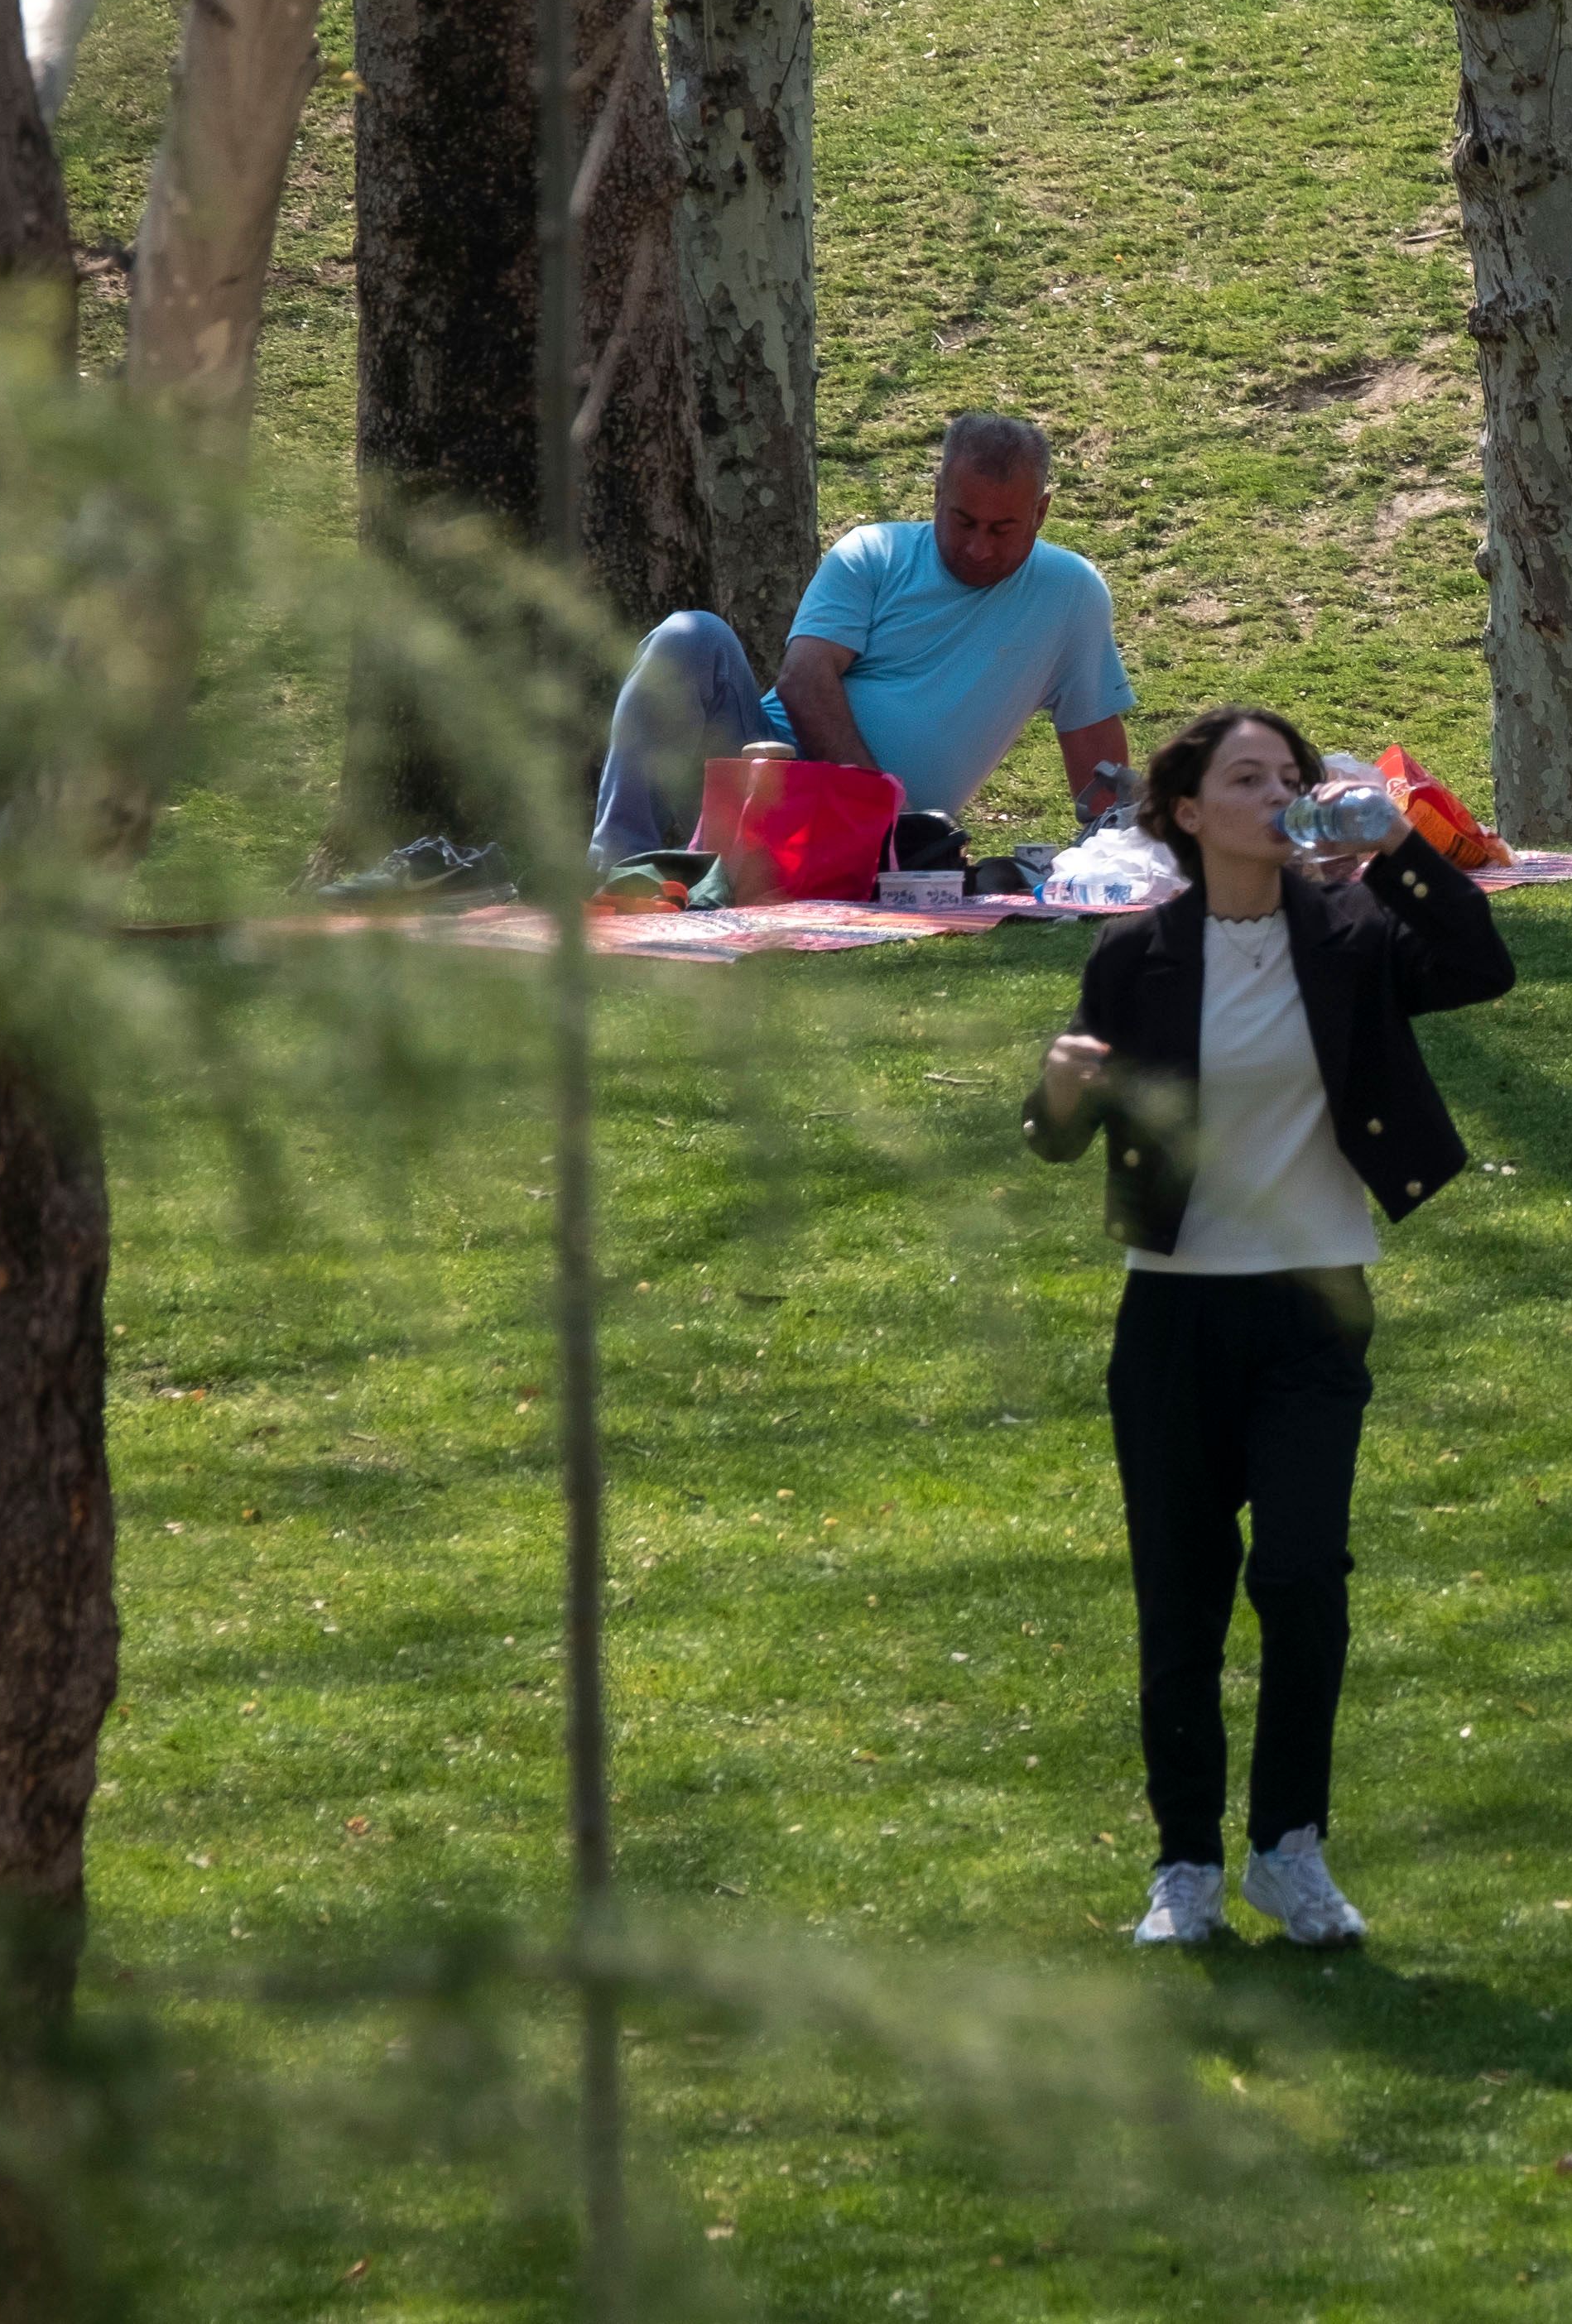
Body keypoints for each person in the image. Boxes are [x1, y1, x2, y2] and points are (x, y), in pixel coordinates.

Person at [1026, 703, 1517, 1948]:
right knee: (1179, 1596)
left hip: (1315, 1301)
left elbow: (1479, 963)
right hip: (1176, 1315)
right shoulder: (1136, 957)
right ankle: (1184, 1865)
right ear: (1189, 813)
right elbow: (1057, 1134)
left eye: (1289, 776)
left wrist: (1392, 843)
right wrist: (1058, 1092)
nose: (1277, 793)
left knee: (1302, 1577)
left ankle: (1289, 1848)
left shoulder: (1353, 927)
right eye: (1248, 779)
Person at [587, 411, 1133, 863]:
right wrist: (882, 809)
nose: (979, 548)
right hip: (771, 780)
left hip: (885, 842)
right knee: (691, 636)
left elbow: (1096, 756)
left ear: (1040, 513)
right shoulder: (873, 553)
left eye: (1002, 529)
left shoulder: (1072, 593)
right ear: (938, 492)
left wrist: (1117, 856)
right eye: (963, 522)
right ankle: (614, 865)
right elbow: (802, 679)